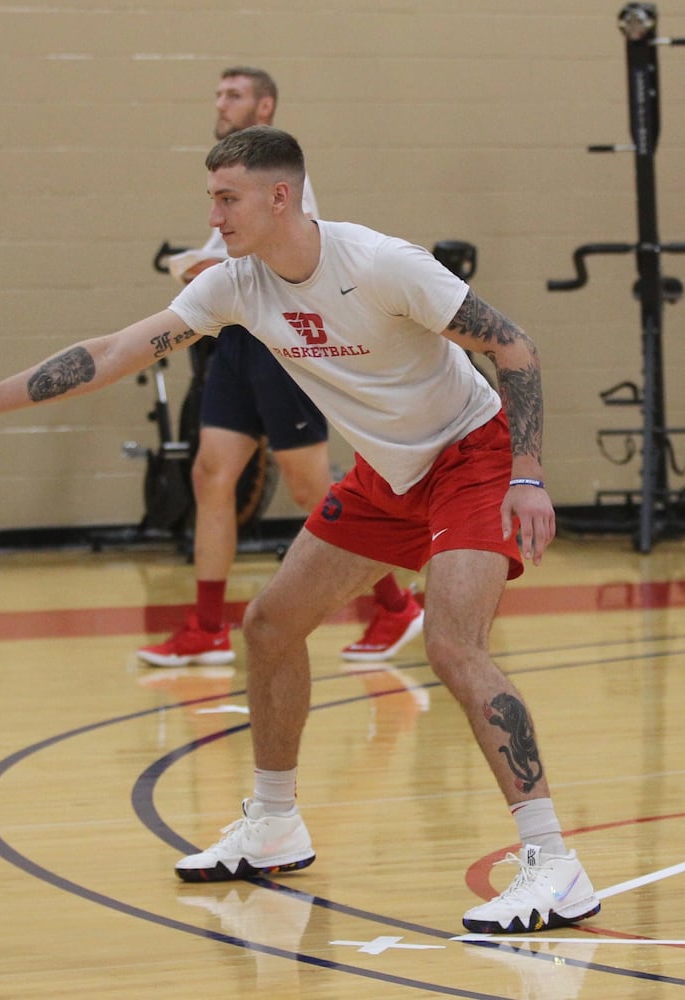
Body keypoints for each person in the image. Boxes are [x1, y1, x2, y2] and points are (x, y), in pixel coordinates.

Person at [0, 126, 600, 934]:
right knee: (269, 626)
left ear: (279, 197)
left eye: (227, 199)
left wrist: (528, 474)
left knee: (453, 646)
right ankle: (273, 822)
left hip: (472, 453)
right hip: (385, 474)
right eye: (212, 199)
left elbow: (515, 346)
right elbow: (117, 349)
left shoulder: (380, 264)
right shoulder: (236, 285)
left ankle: (553, 865)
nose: (215, 216)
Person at [138, 66, 422, 669]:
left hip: (280, 339)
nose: (220, 102)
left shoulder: (278, 179)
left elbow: (256, 263)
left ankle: (396, 606)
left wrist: (187, 267)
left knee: (307, 485)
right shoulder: (232, 179)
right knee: (211, 474)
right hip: (236, 342)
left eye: (233, 94)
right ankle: (208, 626)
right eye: (217, 92)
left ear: (264, 106)